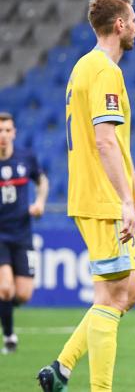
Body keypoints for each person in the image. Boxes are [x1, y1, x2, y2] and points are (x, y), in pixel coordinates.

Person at [37, 0, 135, 392]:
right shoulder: (105, 71)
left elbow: (118, 147)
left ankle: (61, 368)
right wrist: (124, 202)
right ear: (119, 25)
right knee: (111, 296)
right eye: (134, 19)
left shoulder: (83, 67)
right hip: (103, 199)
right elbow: (104, 143)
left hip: (101, 195)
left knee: (129, 291)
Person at [0, 112, 48, 354]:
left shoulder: (25, 157)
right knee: (5, 288)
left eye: (7, 130)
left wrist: (40, 202)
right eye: (0, 131)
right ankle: (9, 337)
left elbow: (42, 180)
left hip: (22, 234)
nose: (3, 135)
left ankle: (4, 308)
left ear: (14, 133)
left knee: (23, 294)